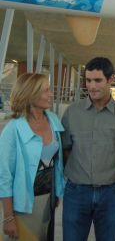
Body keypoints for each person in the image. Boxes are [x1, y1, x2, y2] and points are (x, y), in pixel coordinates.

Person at [61, 57, 115, 241]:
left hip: (111, 194)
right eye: (88, 80)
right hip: (76, 193)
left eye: (98, 80)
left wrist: (108, 174)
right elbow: (66, 150)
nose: (92, 86)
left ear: (111, 80)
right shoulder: (72, 113)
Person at [0, 73, 65, 240]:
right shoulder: (13, 129)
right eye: (46, 90)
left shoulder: (53, 120)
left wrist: (58, 191)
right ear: (30, 94)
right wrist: (8, 218)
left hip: (48, 202)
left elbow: (57, 163)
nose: (51, 94)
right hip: (23, 206)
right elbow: (4, 176)